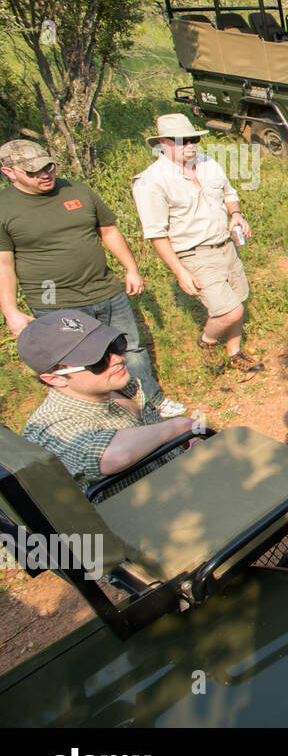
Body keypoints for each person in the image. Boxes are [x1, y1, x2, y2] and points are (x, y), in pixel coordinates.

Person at [1, 139, 184, 417]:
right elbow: (3, 262)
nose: (45, 175)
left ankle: (151, 402)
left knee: (129, 348)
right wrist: (11, 311)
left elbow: (108, 230)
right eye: (33, 172)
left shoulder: (76, 190)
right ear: (8, 172)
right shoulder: (5, 207)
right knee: (81, 363)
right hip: (55, 303)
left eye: (48, 166)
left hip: (106, 290)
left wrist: (131, 269)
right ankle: (106, 415)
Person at [131, 114, 263, 374]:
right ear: (161, 143)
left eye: (193, 139)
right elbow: (156, 233)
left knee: (239, 299)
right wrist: (180, 272)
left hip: (226, 245)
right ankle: (207, 341)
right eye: (181, 141)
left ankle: (235, 353)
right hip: (194, 254)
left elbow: (229, 193)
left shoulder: (208, 163)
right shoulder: (151, 181)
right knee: (230, 312)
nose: (190, 145)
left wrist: (236, 214)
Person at [17, 310, 197, 498]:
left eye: (114, 346)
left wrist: (187, 441)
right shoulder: (48, 427)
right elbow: (112, 456)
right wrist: (180, 426)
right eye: (96, 361)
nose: (117, 359)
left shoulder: (121, 385)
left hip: (179, 484)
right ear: (55, 379)